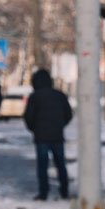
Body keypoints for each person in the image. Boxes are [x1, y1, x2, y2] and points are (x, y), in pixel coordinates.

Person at [23, 68, 72, 201]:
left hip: (41, 136)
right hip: (57, 135)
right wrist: (59, 126)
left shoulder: (35, 97)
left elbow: (28, 117)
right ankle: (64, 191)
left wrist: (35, 129)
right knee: (60, 164)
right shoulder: (59, 95)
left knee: (42, 165)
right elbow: (68, 114)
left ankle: (43, 192)